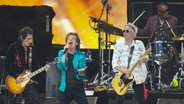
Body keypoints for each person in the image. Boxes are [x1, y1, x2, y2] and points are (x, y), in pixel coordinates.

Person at [4, 26, 50, 104]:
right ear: (22, 37)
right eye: (28, 39)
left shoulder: (30, 49)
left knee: (36, 101)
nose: (30, 41)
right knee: (14, 102)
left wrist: (43, 68)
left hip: (26, 79)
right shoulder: (13, 47)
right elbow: (7, 64)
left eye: (31, 39)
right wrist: (16, 76)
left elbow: (35, 65)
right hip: (15, 80)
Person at [138, 2, 179, 87]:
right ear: (159, 12)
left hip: (168, 46)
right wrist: (135, 29)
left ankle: (170, 81)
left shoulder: (173, 20)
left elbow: (176, 36)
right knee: (142, 58)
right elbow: (144, 31)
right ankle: (148, 82)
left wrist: (174, 40)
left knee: (176, 57)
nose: (167, 13)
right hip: (152, 47)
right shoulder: (151, 19)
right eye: (164, 11)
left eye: (168, 10)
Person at [112, 23, 149, 104]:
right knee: (119, 100)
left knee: (141, 99)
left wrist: (144, 59)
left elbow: (146, 58)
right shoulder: (118, 45)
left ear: (133, 33)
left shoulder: (139, 44)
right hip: (122, 75)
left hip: (137, 75)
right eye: (123, 31)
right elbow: (114, 63)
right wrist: (124, 70)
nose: (125, 32)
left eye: (127, 31)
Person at [57, 32, 88, 104]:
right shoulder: (61, 52)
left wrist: (80, 73)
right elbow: (61, 66)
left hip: (78, 87)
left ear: (76, 43)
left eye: (73, 39)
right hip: (65, 87)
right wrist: (64, 53)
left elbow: (80, 74)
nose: (70, 40)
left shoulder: (81, 55)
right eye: (69, 39)